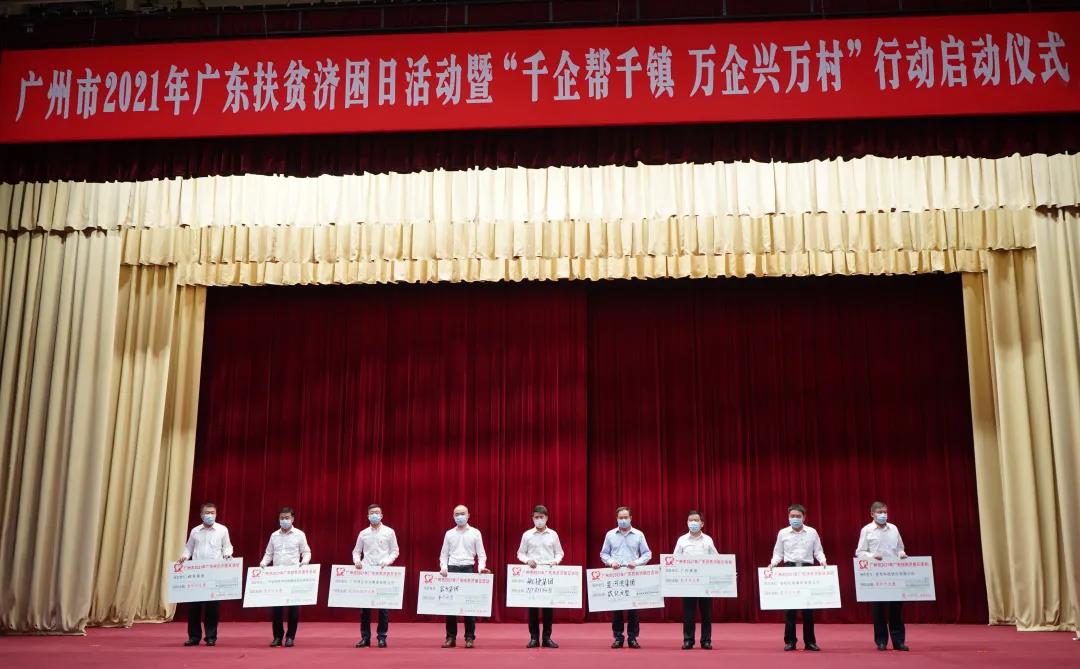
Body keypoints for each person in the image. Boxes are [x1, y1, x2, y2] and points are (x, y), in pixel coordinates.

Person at [768, 503, 827, 652]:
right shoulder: (783, 533)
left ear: (804, 517)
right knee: (790, 609)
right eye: (792, 516)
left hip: (807, 570)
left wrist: (823, 561)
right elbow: (778, 553)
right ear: (788, 517)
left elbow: (818, 551)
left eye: (798, 516)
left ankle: (810, 642)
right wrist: (773, 563)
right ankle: (790, 641)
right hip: (789, 570)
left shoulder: (812, 532)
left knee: (808, 609)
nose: (795, 518)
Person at [855, 501, 910, 651]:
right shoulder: (867, 530)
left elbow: (899, 548)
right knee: (878, 609)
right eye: (880, 512)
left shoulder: (894, 528)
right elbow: (860, 552)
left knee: (896, 609)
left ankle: (898, 641)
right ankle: (881, 641)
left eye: (885, 512)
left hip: (894, 572)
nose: (883, 515)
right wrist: (872, 556)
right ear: (872, 514)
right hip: (876, 574)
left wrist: (901, 553)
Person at [178, 502, 233, 647]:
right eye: (207, 513)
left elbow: (227, 547)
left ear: (216, 514)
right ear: (201, 515)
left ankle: (211, 637)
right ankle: (194, 637)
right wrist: (184, 556)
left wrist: (227, 554)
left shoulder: (222, 530)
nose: (210, 515)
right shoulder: (195, 531)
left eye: (212, 513)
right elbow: (188, 548)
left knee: (212, 607)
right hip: (197, 573)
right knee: (194, 607)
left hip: (215, 573)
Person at [600, 506, 652, 649]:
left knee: (633, 609)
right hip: (616, 574)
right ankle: (618, 637)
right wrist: (611, 562)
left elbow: (647, 554)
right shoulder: (610, 535)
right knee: (616, 608)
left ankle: (632, 638)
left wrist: (636, 563)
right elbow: (604, 554)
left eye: (625, 517)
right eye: (620, 518)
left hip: (633, 574)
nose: (623, 520)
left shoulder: (638, 534)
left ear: (631, 518)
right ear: (616, 519)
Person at [439, 504, 490, 648]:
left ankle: (469, 637)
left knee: (469, 605)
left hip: (468, 569)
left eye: (462, 514)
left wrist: (480, 568)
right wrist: (444, 568)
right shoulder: (449, 534)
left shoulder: (475, 533)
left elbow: (481, 554)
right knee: (450, 606)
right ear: (453, 516)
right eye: (457, 514)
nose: (460, 517)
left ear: (468, 515)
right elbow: (444, 554)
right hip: (452, 569)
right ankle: (450, 638)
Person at [260, 506, 311, 648]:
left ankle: (290, 637)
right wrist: (263, 563)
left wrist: (304, 562)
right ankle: (277, 637)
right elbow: (269, 553)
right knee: (277, 609)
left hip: (293, 576)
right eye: (282, 518)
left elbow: (306, 552)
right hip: (277, 576)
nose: (284, 520)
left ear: (293, 519)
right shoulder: (274, 535)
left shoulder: (299, 534)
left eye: (287, 518)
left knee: (293, 610)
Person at [352, 503, 400, 648]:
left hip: (383, 572)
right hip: (367, 572)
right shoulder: (363, 533)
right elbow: (356, 551)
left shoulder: (389, 532)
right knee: (365, 608)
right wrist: (357, 561)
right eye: (372, 513)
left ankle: (382, 637)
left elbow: (395, 551)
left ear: (381, 515)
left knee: (383, 608)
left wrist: (387, 561)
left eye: (377, 513)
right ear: (368, 516)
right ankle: (365, 637)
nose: (374, 515)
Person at [516, 504, 565, 648]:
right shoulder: (527, 535)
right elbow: (520, 553)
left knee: (548, 608)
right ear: (532, 518)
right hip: (532, 575)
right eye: (536, 517)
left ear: (546, 518)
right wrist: (527, 560)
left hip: (549, 574)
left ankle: (547, 638)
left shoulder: (553, 534)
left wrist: (555, 561)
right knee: (533, 609)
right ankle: (534, 638)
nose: (539, 520)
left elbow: (559, 553)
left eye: (541, 517)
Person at [674, 509, 717, 650]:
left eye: (696, 520)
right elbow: (674, 560)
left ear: (702, 523)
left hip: (705, 582)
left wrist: (727, 572)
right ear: (687, 523)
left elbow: (717, 559)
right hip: (688, 581)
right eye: (690, 520)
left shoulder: (708, 540)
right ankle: (688, 640)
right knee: (688, 613)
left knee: (706, 613)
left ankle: (706, 641)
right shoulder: (681, 540)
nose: (693, 523)